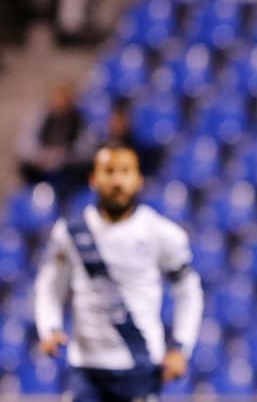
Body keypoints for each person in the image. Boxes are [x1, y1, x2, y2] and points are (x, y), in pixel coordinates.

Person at [34, 144, 203, 402]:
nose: (117, 181)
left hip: (140, 367)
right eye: (109, 171)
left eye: (125, 171)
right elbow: (49, 284)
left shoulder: (161, 233)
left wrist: (181, 347)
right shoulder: (71, 232)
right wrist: (49, 327)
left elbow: (189, 291)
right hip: (86, 369)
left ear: (138, 180)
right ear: (94, 179)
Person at [18, 82, 95, 194]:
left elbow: (86, 149)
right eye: (58, 98)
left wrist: (65, 157)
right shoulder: (41, 118)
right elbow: (25, 144)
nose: (61, 103)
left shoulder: (80, 120)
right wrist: (39, 156)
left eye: (65, 99)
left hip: (68, 167)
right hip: (42, 165)